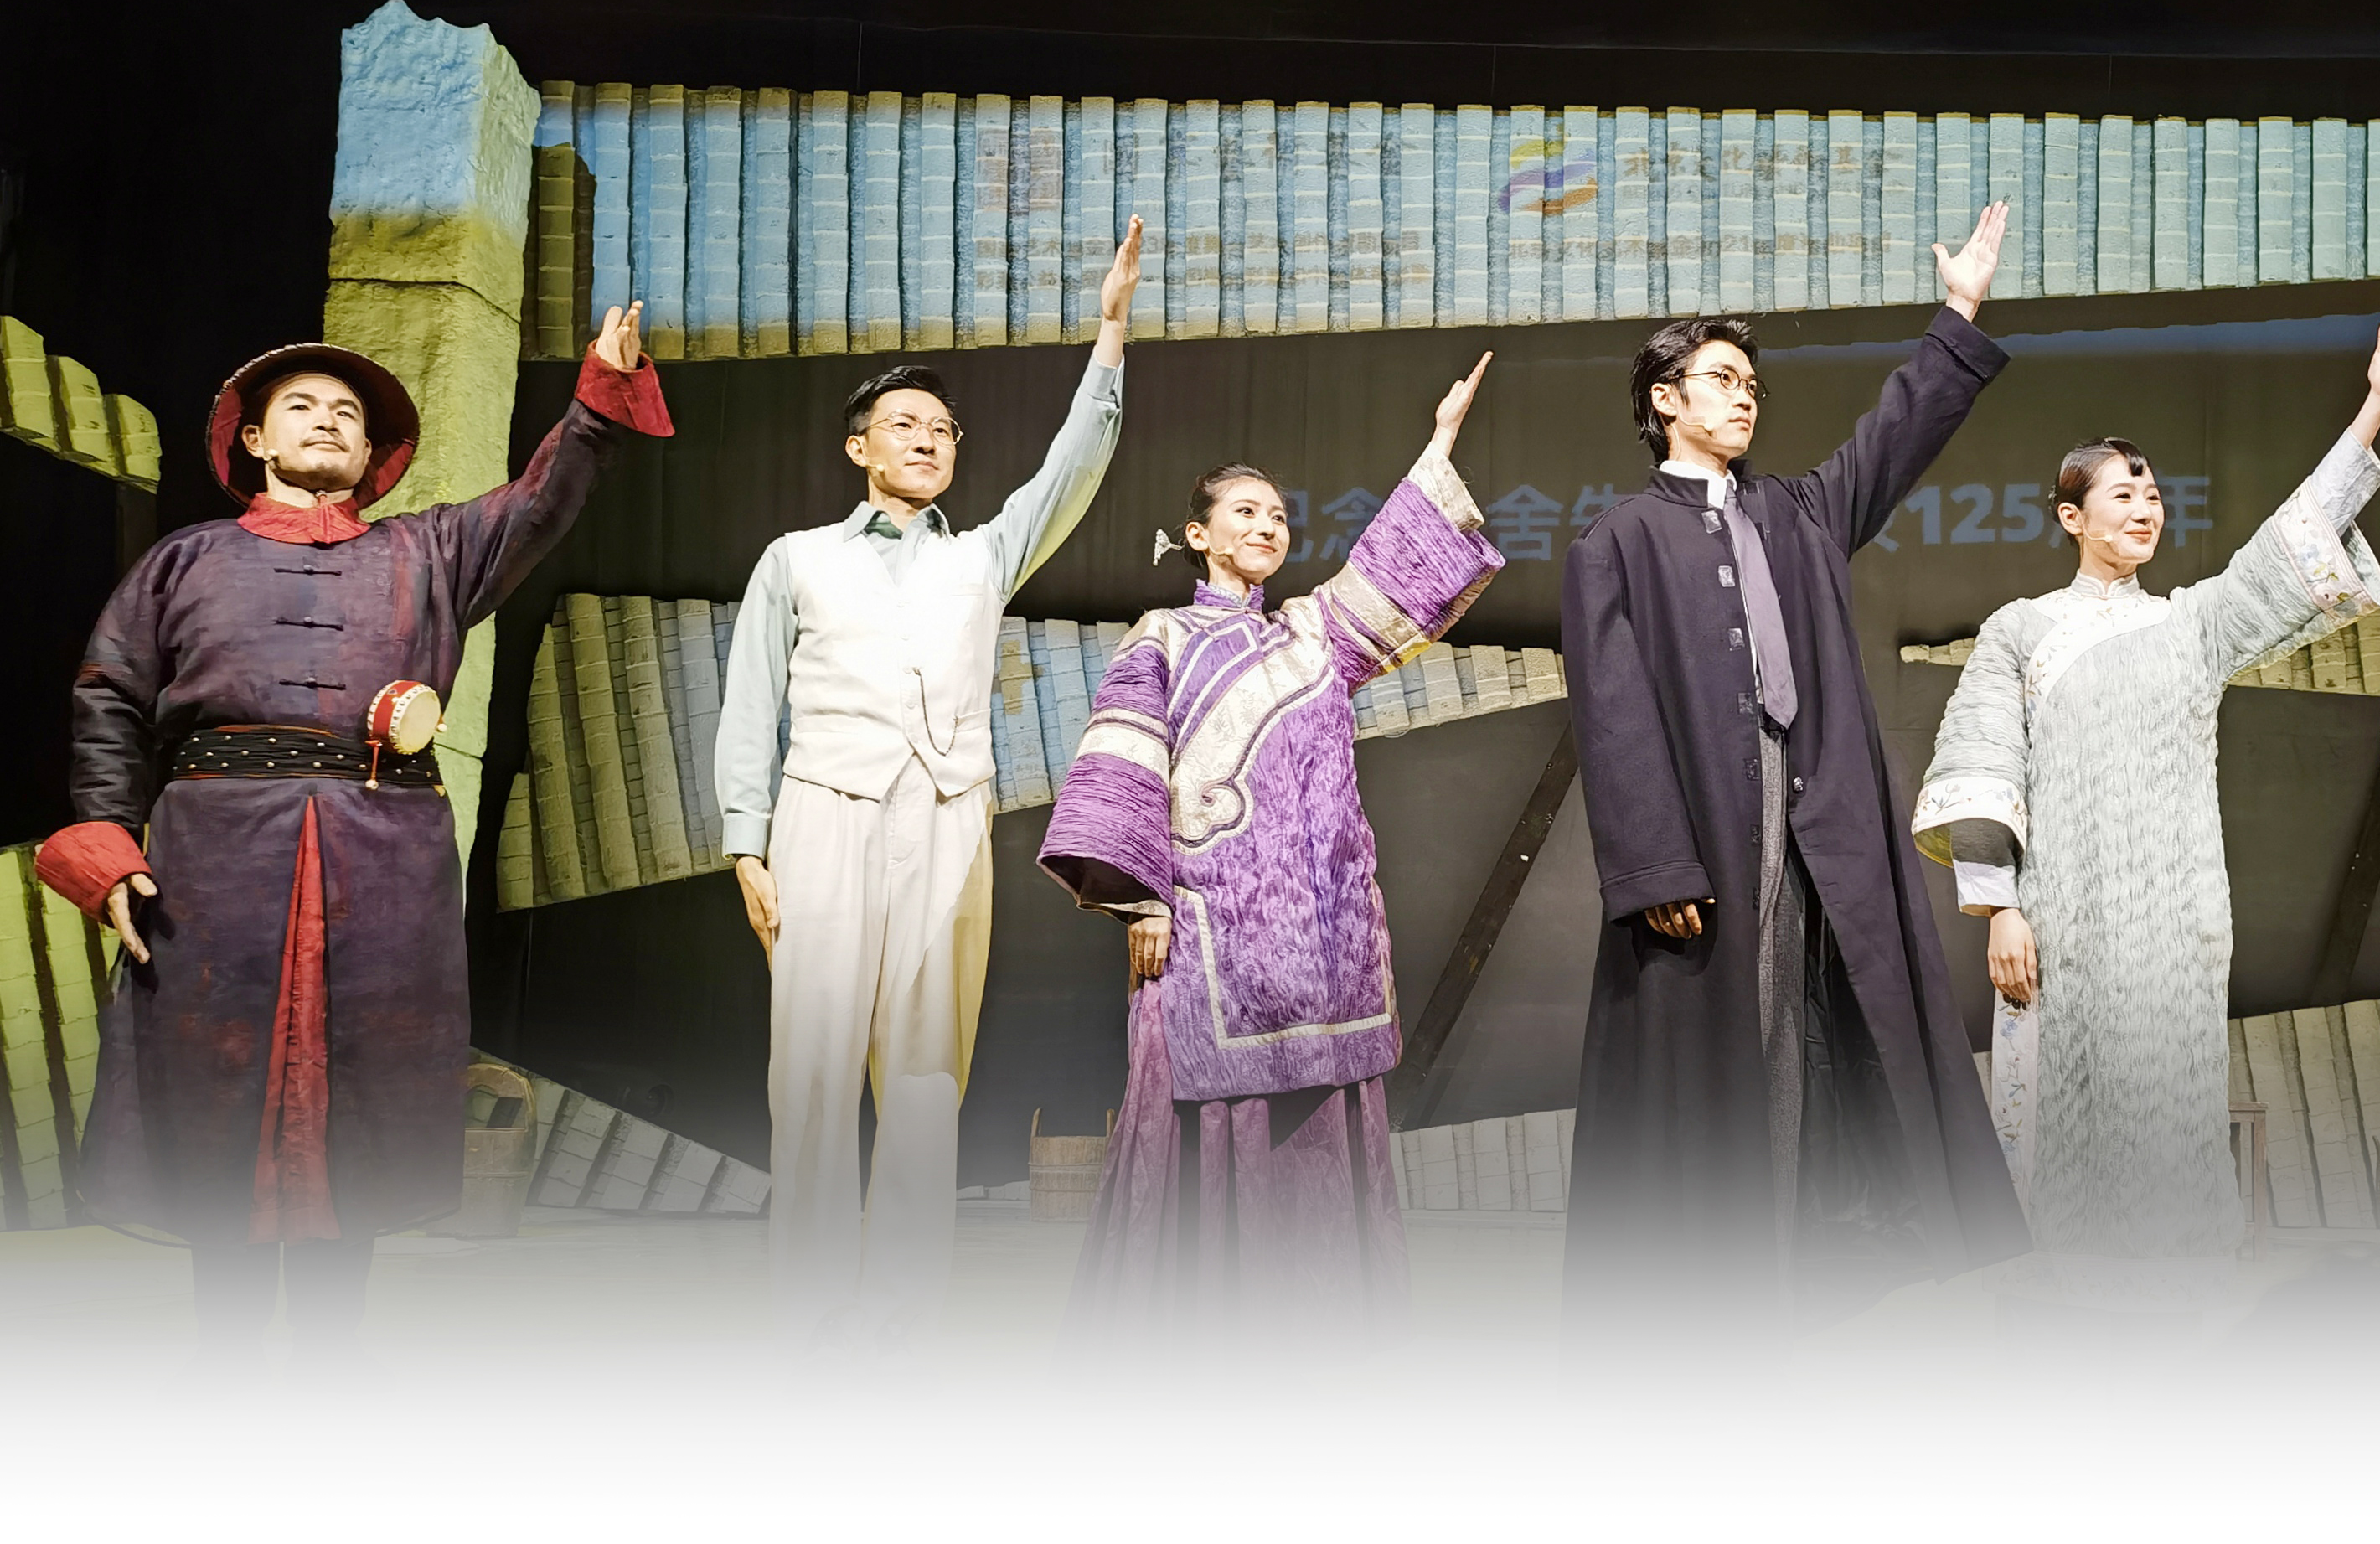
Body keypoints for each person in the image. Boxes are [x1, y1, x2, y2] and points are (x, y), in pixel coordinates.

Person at [41, 306, 670, 1355]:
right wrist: (106, 848)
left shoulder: (431, 552)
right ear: (254, 439)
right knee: (216, 1088)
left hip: (385, 857)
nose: (328, 420)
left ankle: (330, 1371)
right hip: (212, 858)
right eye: (302, 406)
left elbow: (541, 499)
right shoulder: (182, 562)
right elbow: (108, 699)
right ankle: (228, 1364)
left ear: (374, 452)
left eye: (348, 412)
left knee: (363, 1088)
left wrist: (598, 397)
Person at [1560, 199, 2031, 1337]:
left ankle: (1814, 1278)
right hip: (1705, 830)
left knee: (1825, 1023)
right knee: (1731, 1044)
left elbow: (1895, 433)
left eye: (1751, 384)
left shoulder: (1798, 512)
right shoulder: (1617, 539)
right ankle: (1719, 1298)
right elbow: (1612, 713)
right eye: (1720, 379)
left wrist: (1958, 312)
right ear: (1665, 399)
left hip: (1821, 810)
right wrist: (1653, 861)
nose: (1743, 397)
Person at [1914, 308, 2380, 1301]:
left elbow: (2289, 547)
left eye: (2152, 494)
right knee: (2070, 1122)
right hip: (2065, 922)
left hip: (2175, 928)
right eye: (2121, 494)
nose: (2144, 509)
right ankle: (2069, 1321)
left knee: (2171, 1120)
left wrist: (2374, 404)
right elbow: (1981, 765)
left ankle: (2180, 1317)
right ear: (2071, 517)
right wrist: (1999, 908)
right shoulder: (2022, 630)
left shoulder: (2192, 624)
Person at [715, 219, 1140, 1347]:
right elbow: (753, 702)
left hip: (946, 818)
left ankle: (901, 1313)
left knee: (921, 1072)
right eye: (904, 424)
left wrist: (1108, 336)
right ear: (860, 446)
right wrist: (746, 840)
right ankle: (808, 1309)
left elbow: (1070, 472)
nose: (928, 440)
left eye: (944, 430)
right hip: (825, 811)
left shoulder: (980, 554)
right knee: (811, 1063)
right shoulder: (798, 555)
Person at [1039, 354, 1502, 1339]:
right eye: (1243, 513)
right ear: (1198, 535)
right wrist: (1141, 899)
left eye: (1278, 517)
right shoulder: (1161, 635)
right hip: (1209, 939)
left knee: (1322, 1125)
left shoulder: (1311, 634)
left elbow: (1397, 568)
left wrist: (1440, 441)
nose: (1266, 527)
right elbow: (1121, 768)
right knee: (1190, 1126)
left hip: (1321, 948)